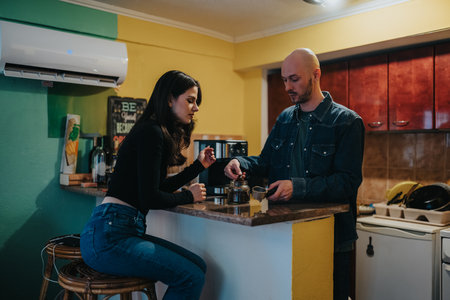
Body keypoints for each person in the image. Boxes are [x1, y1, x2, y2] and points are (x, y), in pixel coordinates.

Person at [224, 48, 364, 300]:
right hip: (286, 232)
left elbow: (346, 183)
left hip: (331, 236)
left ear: (316, 75)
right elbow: (265, 162)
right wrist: (240, 162)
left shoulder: (346, 121)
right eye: (284, 80)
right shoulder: (285, 119)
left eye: (294, 79)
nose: (288, 86)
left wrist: (296, 187)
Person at [80, 70, 216, 300]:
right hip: (110, 237)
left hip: (117, 229)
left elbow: (157, 187)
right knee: (191, 276)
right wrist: (188, 197)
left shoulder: (153, 131)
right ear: (170, 99)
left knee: (198, 266)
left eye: (196, 102)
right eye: (190, 100)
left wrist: (198, 166)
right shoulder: (152, 133)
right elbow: (150, 199)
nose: (196, 108)